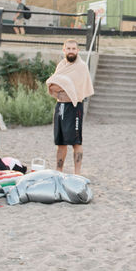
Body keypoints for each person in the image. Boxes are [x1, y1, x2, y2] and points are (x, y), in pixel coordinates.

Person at [46, 39, 95, 174]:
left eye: (74, 49)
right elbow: (52, 84)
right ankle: (59, 170)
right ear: (64, 50)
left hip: (74, 107)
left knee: (76, 142)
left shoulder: (81, 66)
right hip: (60, 106)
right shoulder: (61, 65)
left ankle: (77, 172)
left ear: (77, 50)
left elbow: (74, 87)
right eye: (68, 48)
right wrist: (64, 87)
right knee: (60, 142)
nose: (71, 51)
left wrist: (62, 87)